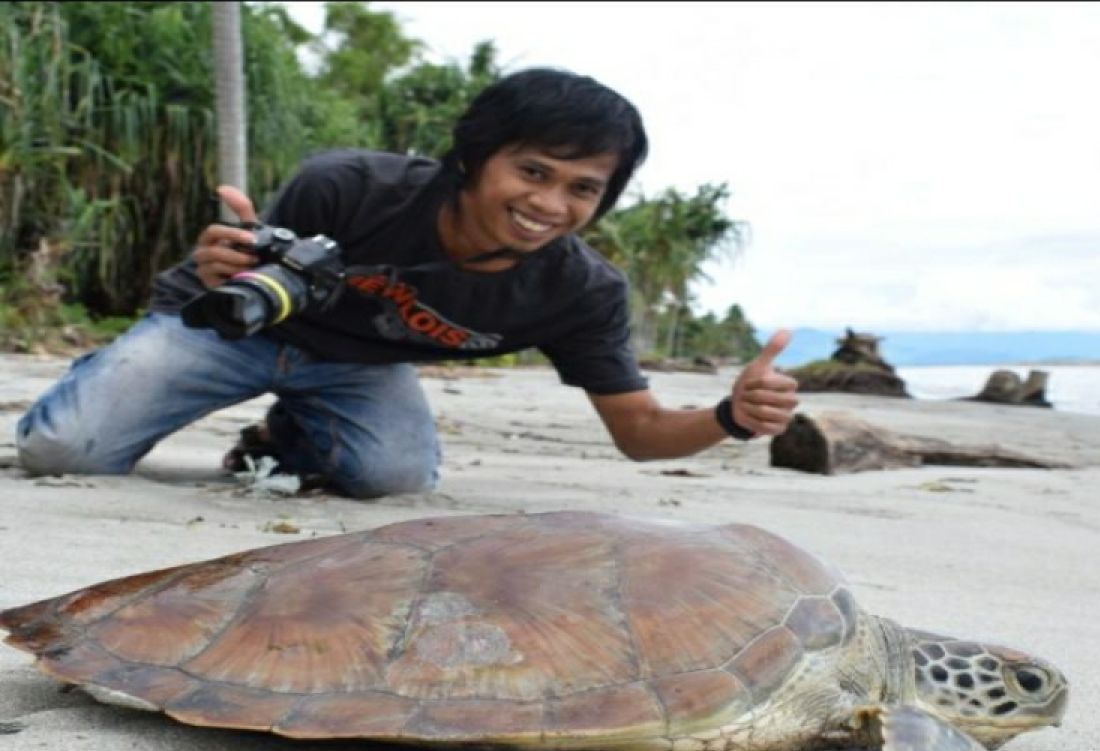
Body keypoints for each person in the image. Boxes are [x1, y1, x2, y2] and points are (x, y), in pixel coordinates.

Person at [16, 68, 798, 499]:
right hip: (230, 330)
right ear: (473, 158)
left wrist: (729, 417)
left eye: (582, 188)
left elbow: (640, 434)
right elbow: (254, 278)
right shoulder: (350, 187)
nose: (549, 205)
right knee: (62, 451)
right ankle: (100, 385)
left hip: (358, 365)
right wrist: (229, 265)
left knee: (394, 480)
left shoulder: (580, 292)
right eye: (532, 171)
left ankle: (288, 432)